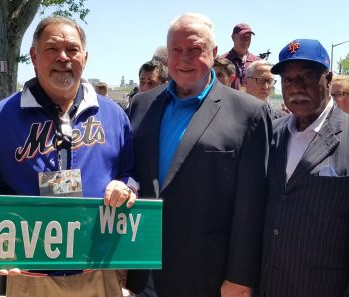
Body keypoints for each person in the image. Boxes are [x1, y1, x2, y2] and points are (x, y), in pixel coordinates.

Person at [0, 16, 138, 297]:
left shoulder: (113, 114)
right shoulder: (1, 118)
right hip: (30, 270)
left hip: (98, 266)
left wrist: (124, 187)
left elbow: (130, 172)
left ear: (85, 57)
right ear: (33, 55)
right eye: (52, 48)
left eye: (72, 50)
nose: (63, 57)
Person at [126, 13, 271, 297]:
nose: (184, 59)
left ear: (214, 52)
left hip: (208, 277)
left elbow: (252, 206)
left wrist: (240, 277)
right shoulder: (141, 105)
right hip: (145, 274)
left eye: (195, 50)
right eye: (176, 51)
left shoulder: (249, 113)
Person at [260, 39, 349, 297]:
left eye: (307, 77)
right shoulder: (270, 135)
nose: (296, 88)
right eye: (287, 80)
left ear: (328, 79)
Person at [220, 23, 261, 90]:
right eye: (242, 37)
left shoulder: (257, 63)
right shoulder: (221, 62)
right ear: (233, 38)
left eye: (248, 38)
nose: (245, 41)